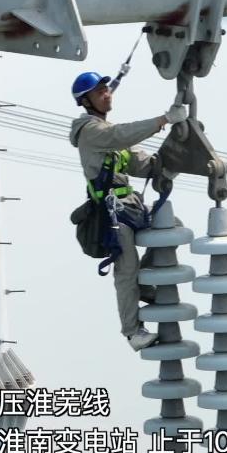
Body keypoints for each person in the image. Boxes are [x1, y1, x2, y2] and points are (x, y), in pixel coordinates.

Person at [68, 71, 187, 351]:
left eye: (106, 90)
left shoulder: (112, 136)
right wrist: (164, 120)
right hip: (111, 213)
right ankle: (132, 332)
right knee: (126, 270)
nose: (107, 95)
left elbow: (143, 165)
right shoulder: (91, 131)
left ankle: (142, 283)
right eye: (99, 92)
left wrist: (177, 153)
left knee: (173, 226)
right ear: (86, 101)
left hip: (131, 206)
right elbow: (120, 135)